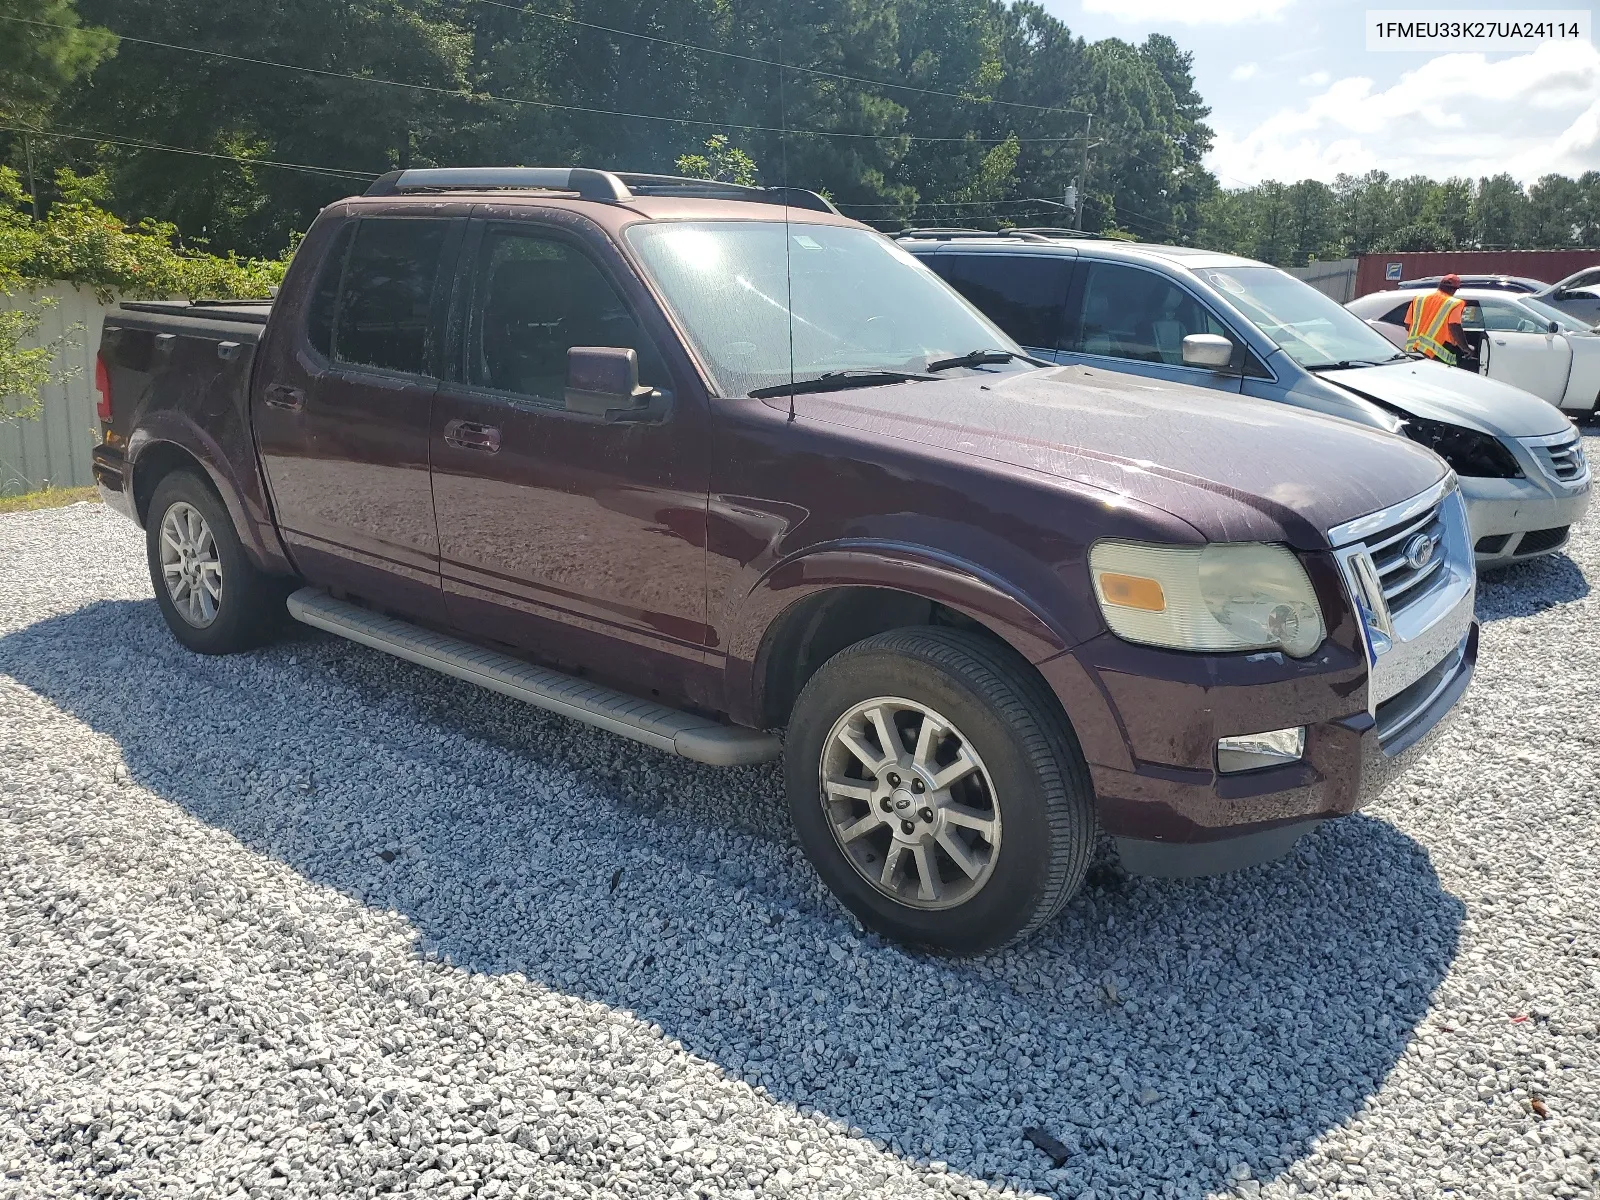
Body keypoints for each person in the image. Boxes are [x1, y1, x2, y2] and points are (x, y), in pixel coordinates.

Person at [1404, 273, 1468, 365]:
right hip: (1436, 355)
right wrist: (1465, 348)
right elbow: (1454, 327)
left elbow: (1407, 325)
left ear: (1440, 285)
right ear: (1454, 290)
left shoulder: (1419, 299)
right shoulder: (1455, 303)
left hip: (1412, 351)